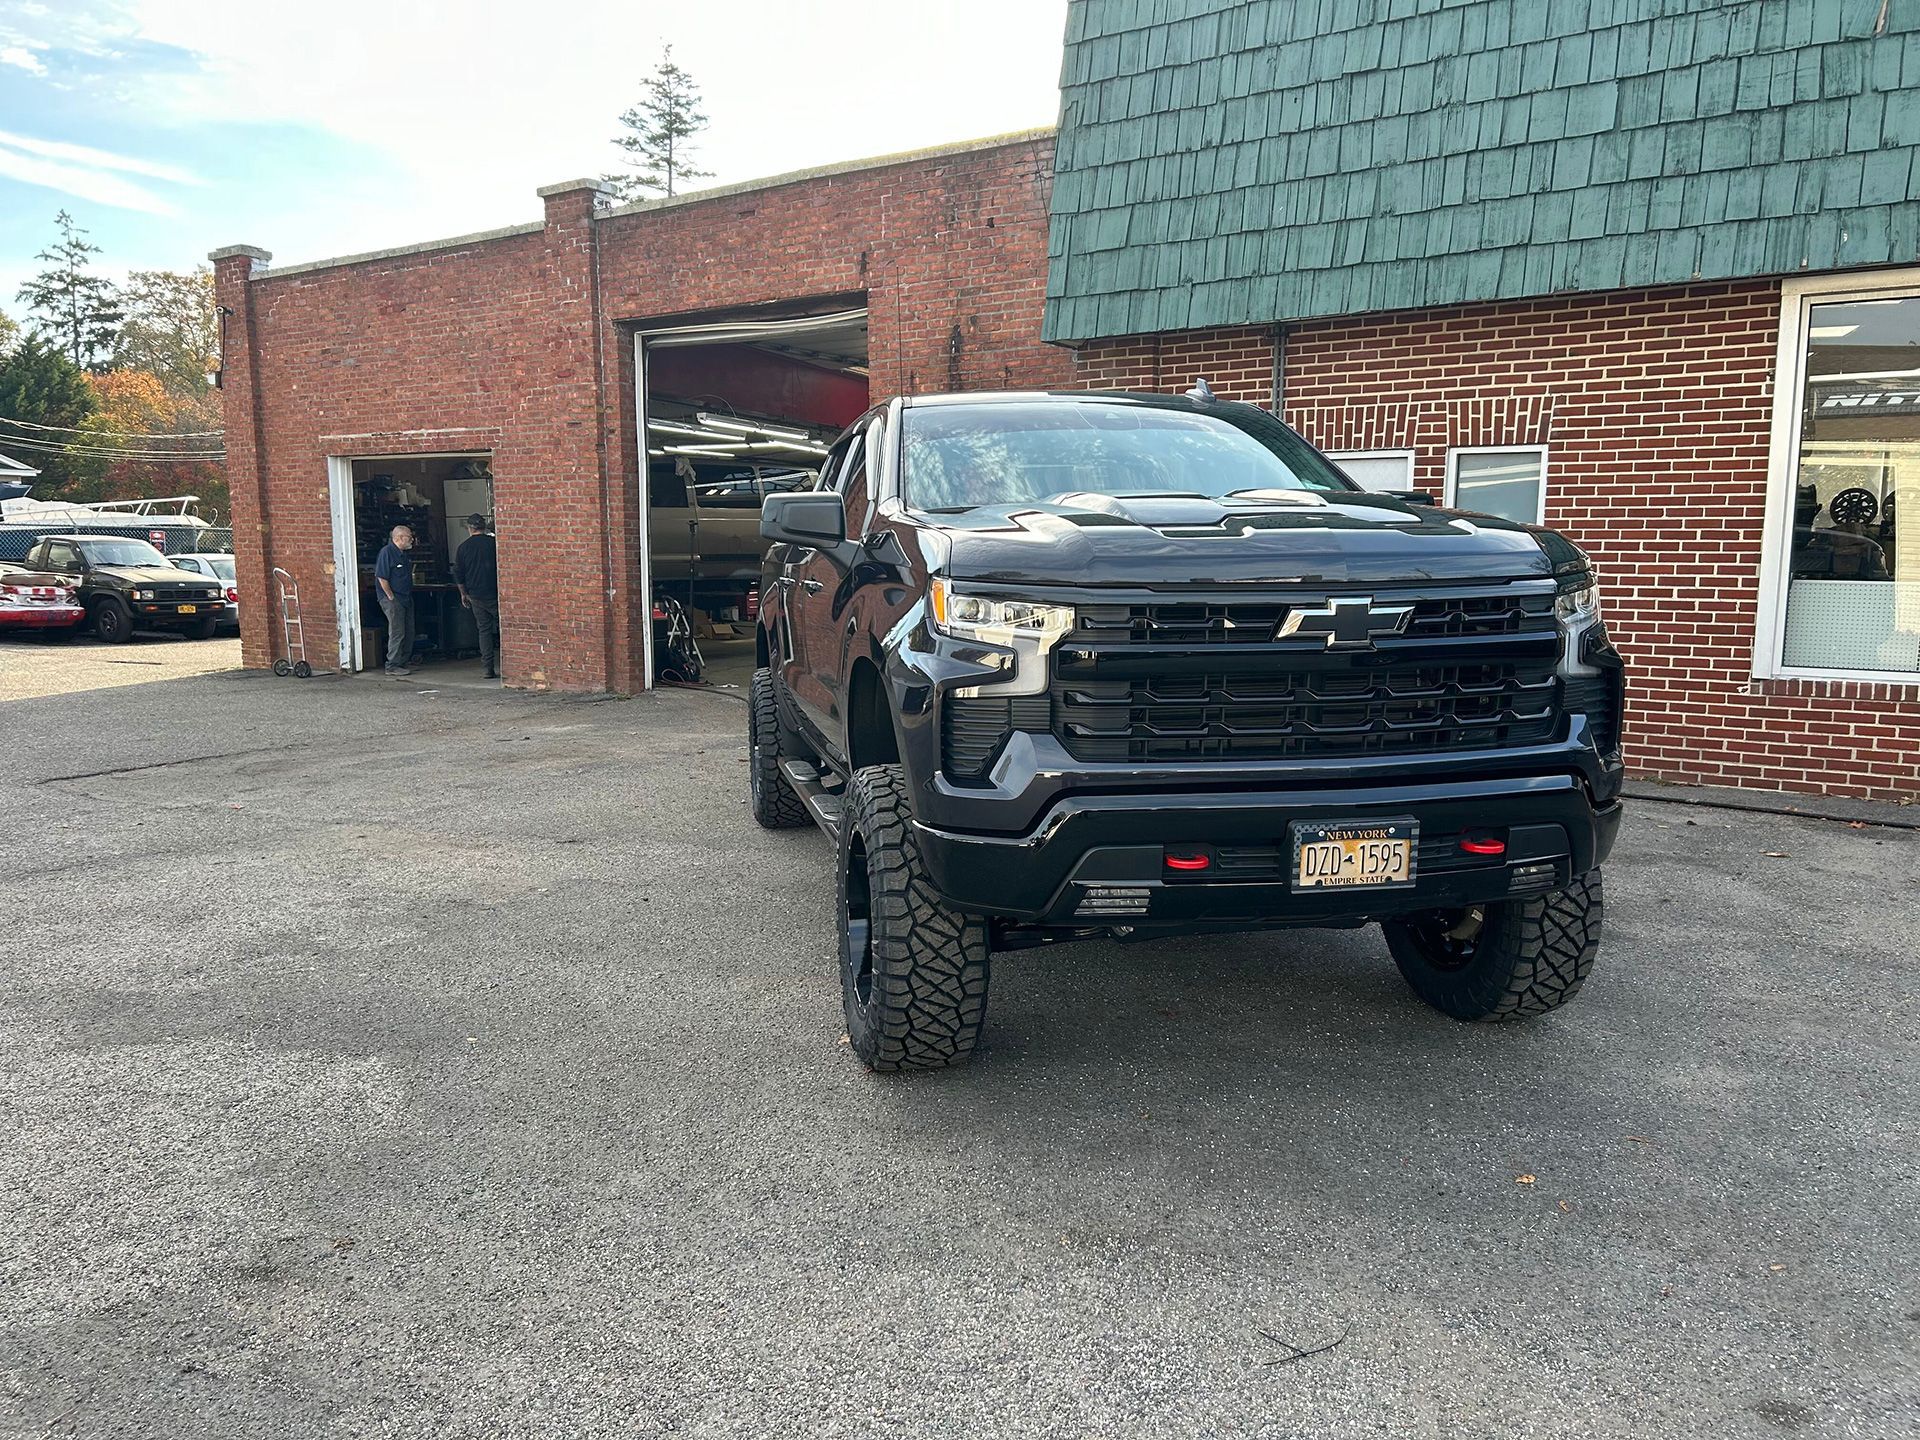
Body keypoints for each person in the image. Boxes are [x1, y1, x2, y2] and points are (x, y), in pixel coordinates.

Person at [454, 512, 500, 679]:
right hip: (496, 593)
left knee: (484, 631)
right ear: (484, 527)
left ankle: (488, 668)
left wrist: (463, 594)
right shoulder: (494, 544)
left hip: (476, 596)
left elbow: (458, 574)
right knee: (506, 629)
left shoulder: (463, 547)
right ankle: (512, 667)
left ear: (469, 528)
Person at [373, 524, 416, 677]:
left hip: (405, 598)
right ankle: (392, 665)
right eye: (409, 537)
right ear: (399, 538)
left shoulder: (403, 555)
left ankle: (402, 661)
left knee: (409, 631)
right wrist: (390, 596)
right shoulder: (387, 552)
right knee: (397, 632)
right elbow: (381, 577)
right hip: (393, 598)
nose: (412, 540)